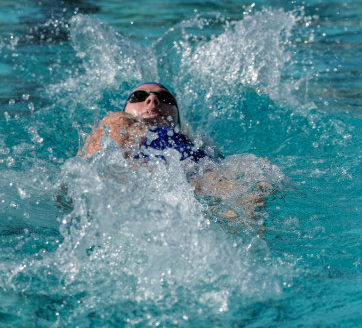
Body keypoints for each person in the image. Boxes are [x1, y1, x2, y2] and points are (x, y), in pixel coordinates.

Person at [80, 82, 276, 229]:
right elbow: (94, 168)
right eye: (139, 96)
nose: (152, 100)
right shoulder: (117, 123)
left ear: (176, 116)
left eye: (165, 99)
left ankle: (246, 233)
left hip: (194, 183)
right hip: (141, 182)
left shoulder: (195, 141)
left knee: (254, 173)